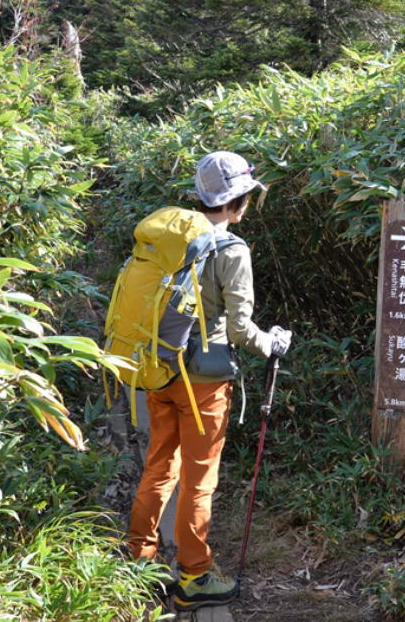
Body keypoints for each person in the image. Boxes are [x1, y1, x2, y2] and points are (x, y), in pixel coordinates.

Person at [126, 151, 293, 611]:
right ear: (238, 200)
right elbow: (240, 331)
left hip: (160, 370)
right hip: (203, 382)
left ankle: (139, 560)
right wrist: (272, 344)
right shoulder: (232, 250)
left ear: (202, 197)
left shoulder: (174, 236)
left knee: (160, 465)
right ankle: (195, 576)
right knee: (199, 481)